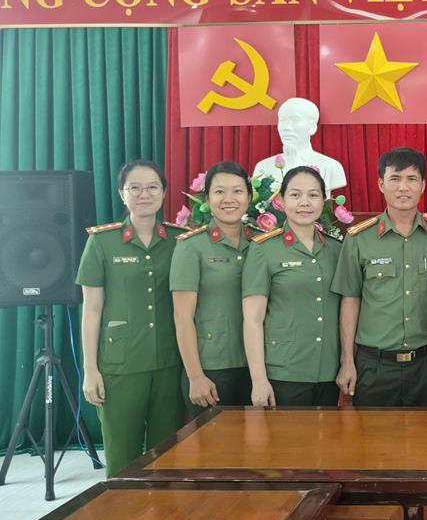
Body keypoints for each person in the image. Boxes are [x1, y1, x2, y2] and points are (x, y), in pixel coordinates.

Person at [76, 160, 186, 476]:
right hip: (120, 364)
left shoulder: (181, 240)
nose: (143, 194)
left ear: (164, 192)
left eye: (152, 187)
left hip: (169, 362)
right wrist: (90, 369)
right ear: (121, 194)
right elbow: (91, 309)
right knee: (122, 457)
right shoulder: (102, 241)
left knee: (166, 456)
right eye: (134, 188)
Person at [333, 148, 427, 407]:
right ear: (381, 184)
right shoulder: (359, 238)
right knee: (372, 434)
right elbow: (350, 300)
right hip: (374, 367)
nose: (403, 187)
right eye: (395, 178)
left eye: (412, 179)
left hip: (426, 365)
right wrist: (347, 360)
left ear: (423, 185)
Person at [241, 166, 343, 407]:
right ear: (281, 200)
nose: (304, 203)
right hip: (284, 372)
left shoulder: (336, 249)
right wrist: (259, 380)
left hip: (329, 372)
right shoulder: (264, 249)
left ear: (324, 200)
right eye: (296, 195)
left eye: (313, 195)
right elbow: (253, 319)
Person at [169, 161, 254, 417]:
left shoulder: (261, 242)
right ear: (207, 199)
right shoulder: (191, 246)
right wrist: (195, 376)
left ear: (249, 197)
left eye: (237, 191)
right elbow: (182, 317)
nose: (229, 199)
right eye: (219, 191)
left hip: (257, 366)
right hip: (211, 369)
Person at [252, 98, 346, 192]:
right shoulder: (263, 167)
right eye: (282, 120)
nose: (286, 127)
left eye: (295, 119)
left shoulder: (330, 166)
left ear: (312, 127)